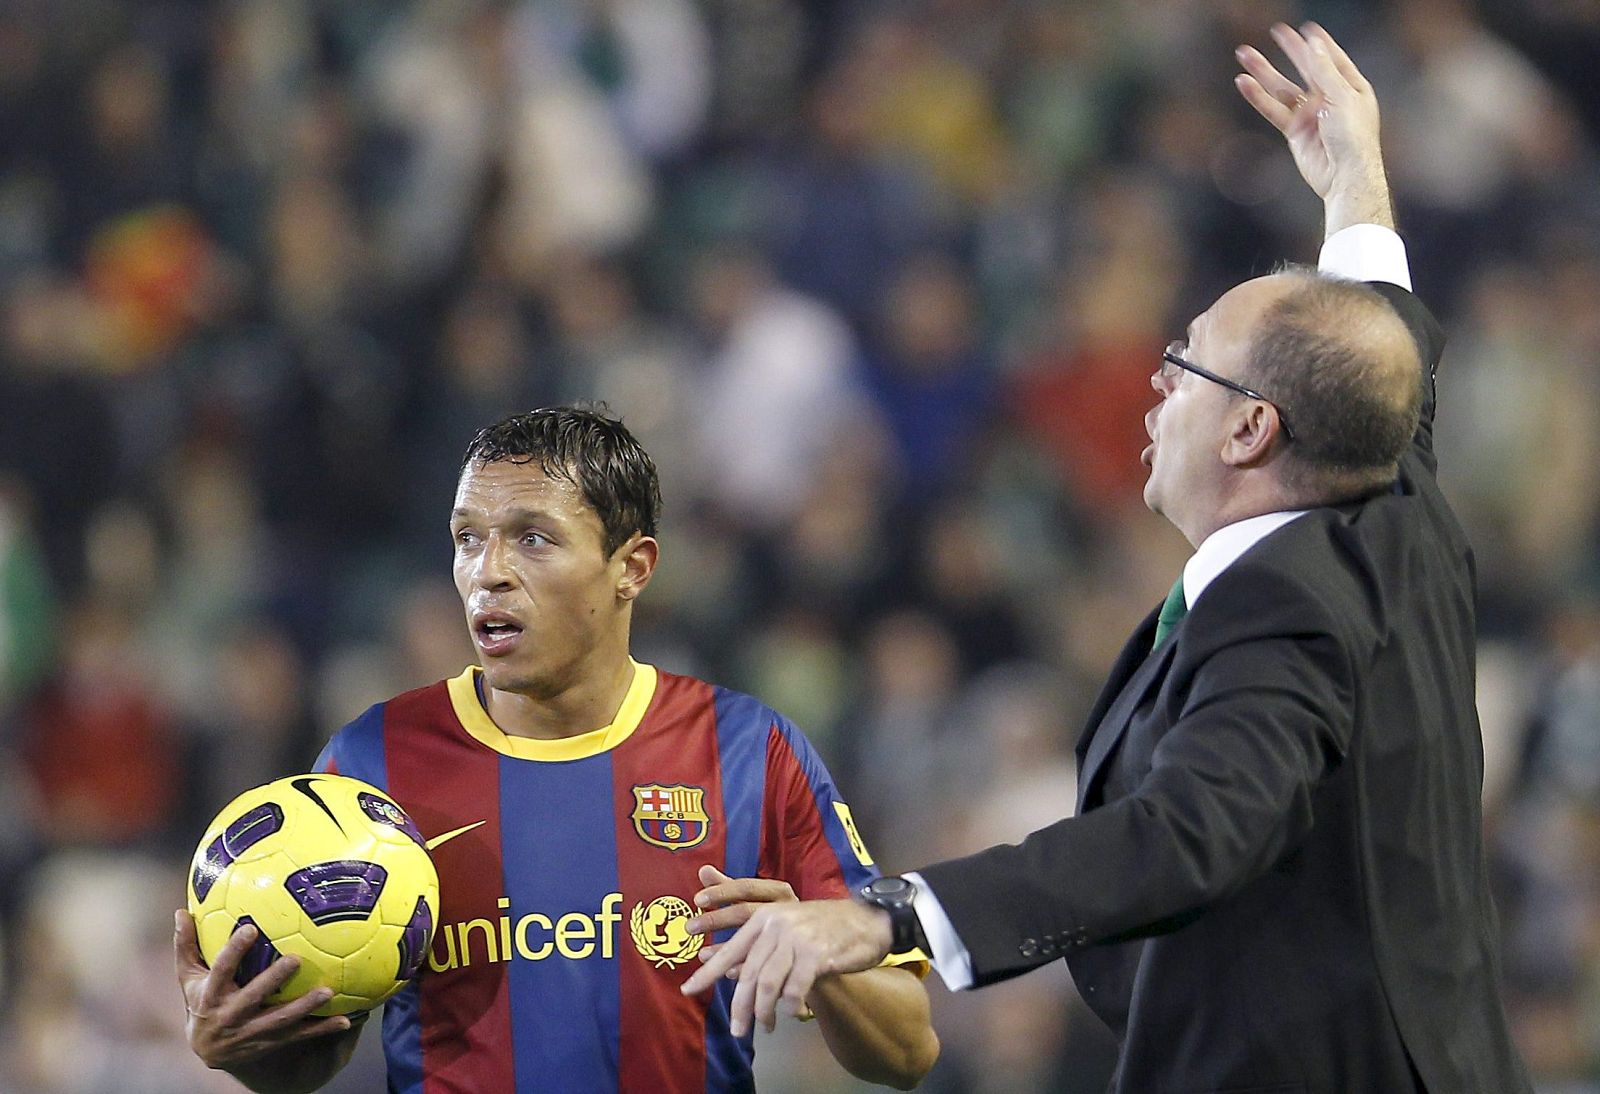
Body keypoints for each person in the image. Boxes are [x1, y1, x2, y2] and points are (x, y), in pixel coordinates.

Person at [681, 23, 1531, 1094]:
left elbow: (1191, 827)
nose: (1157, 383)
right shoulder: (1392, 506)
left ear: (1250, 431)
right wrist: (1351, 175)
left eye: (1185, 364)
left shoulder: (1284, 604)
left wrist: (892, 914)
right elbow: (1386, 355)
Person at [174, 407, 939, 1092]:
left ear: (631, 567)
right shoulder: (372, 763)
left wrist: (818, 952)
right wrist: (238, 1044)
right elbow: (310, 1058)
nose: (488, 573)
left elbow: (908, 1051)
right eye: (468, 539)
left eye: (532, 539)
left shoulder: (748, 749)